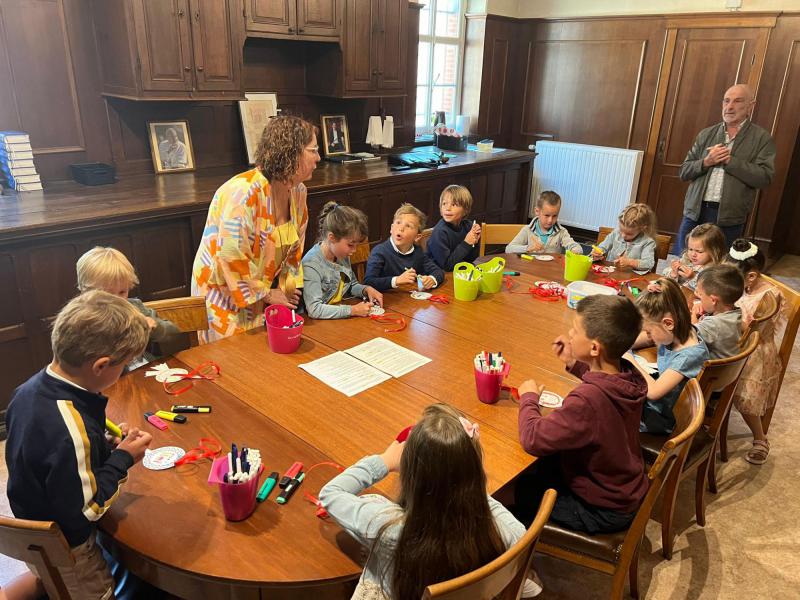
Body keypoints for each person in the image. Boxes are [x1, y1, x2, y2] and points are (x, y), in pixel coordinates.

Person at [5, 291, 154, 599]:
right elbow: (88, 508)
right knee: (96, 592)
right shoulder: (68, 428)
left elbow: (46, 453)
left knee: (50, 580)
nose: (123, 372)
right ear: (100, 366)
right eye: (123, 366)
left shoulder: (28, 391)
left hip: (33, 524)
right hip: (69, 547)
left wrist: (98, 444)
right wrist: (124, 457)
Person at [319, 403, 542, 599]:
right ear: (474, 471)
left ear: (411, 475)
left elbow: (331, 494)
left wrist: (385, 461)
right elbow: (509, 526)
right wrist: (464, 473)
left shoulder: (389, 529)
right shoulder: (505, 530)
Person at [515, 295, 648, 534]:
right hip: (625, 487)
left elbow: (532, 438)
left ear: (595, 347)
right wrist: (574, 362)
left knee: (521, 487)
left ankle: (526, 555)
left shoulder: (587, 401)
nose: (569, 334)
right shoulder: (630, 375)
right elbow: (603, 384)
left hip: (602, 509)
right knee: (548, 464)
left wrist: (528, 398)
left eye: (575, 331)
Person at [191, 116, 319, 342]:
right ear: (291, 153)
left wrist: (288, 289)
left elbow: (294, 250)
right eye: (313, 150)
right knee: (238, 360)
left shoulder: (298, 192)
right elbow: (230, 258)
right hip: (223, 292)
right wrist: (269, 294)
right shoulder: (244, 193)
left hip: (263, 293)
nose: (318, 158)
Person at [676, 84, 776, 254]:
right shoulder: (706, 134)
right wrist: (707, 161)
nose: (730, 107)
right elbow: (684, 172)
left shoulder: (762, 138)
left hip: (730, 217)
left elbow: (764, 178)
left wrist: (730, 161)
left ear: (751, 106)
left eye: (737, 101)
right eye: (726, 101)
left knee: (719, 268)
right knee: (683, 259)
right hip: (695, 213)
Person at [725, 239, 787, 465]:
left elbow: (754, 332)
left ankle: (760, 438)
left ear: (751, 276)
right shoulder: (739, 286)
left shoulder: (769, 296)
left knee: (745, 399)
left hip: (754, 350)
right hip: (733, 341)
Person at [76, 246, 181, 364]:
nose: (118, 300)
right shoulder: (83, 320)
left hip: (148, 371)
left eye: (122, 292)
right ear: (85, 292)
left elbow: (174, 334)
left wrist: (155, 327)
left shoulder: (134, 307)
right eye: (108, 294)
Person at [632, 278, 708, 434]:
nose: (648, 336)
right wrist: (624, 344)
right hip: (654, 405)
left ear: (668, 323)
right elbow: (648, 338)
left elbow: (653, 393)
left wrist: (631, 361)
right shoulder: (678, 331)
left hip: (661, 418)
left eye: (649, 331)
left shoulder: (688, 355)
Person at [302, 201, 383, 319]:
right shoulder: (311, 264)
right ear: (332, 237)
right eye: (350, 245)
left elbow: (351, 285)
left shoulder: (342, 255)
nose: (354, 250)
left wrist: (366, 290)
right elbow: (314, 309)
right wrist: (352, 310)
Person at [364, 203, 444, 292]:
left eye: (408, 226)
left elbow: (438, 271)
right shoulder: (379, 251)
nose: (401, 228)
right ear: (391, 228)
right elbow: (369, 282)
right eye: (398, 222)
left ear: (417, 237)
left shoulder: (418, 252)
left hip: (409, 301)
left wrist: (432, 279)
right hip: (387, 301)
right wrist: (397, 280)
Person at [691, 264, 745, 360]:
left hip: (710, 372)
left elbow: (689, 338)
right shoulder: (736, 312)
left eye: (700, 295)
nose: (699, 298)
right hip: (728, 368)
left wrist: (694, 314)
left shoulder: (713, 325)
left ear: (713, 300)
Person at [505, 191, 582, 255]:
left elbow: (576, 247)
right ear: (537, 211)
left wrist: (575, 250)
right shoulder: (527, 230)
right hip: (531, 269)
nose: (550, 220)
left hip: (551, 270)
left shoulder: (562, 232)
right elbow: (508, 249)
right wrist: (528, 248)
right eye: (547, 215)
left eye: (555, 216)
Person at [425, 185, 481, 271]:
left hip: (458, 272)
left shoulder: (468, 226)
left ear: (465, 210)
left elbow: (470, 259)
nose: (447, 208)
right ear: (440, 209)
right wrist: (466, 243)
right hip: (437, 275)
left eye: (454, 204)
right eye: (444, 204)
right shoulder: (440, 232)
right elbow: (447, 266)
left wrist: (475, 240)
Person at [591, 204, 657, 274]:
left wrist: (630, 262)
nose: (623, 235)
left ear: (642, 228)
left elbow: (648, 263)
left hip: (631, 277)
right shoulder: (615, 233)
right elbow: (602, 247)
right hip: (609, 274)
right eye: (621, 230)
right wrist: (598, 252)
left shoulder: (647, 242)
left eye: (629, 234)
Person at [662, 223, 727, 291]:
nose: (693, 254)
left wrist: (692, 278)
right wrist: (673, 273)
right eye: (690, 249)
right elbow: (665, 275)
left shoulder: (716, 271)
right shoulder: (687, 259)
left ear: (715, 251)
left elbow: (708, 292)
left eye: (699, 251)